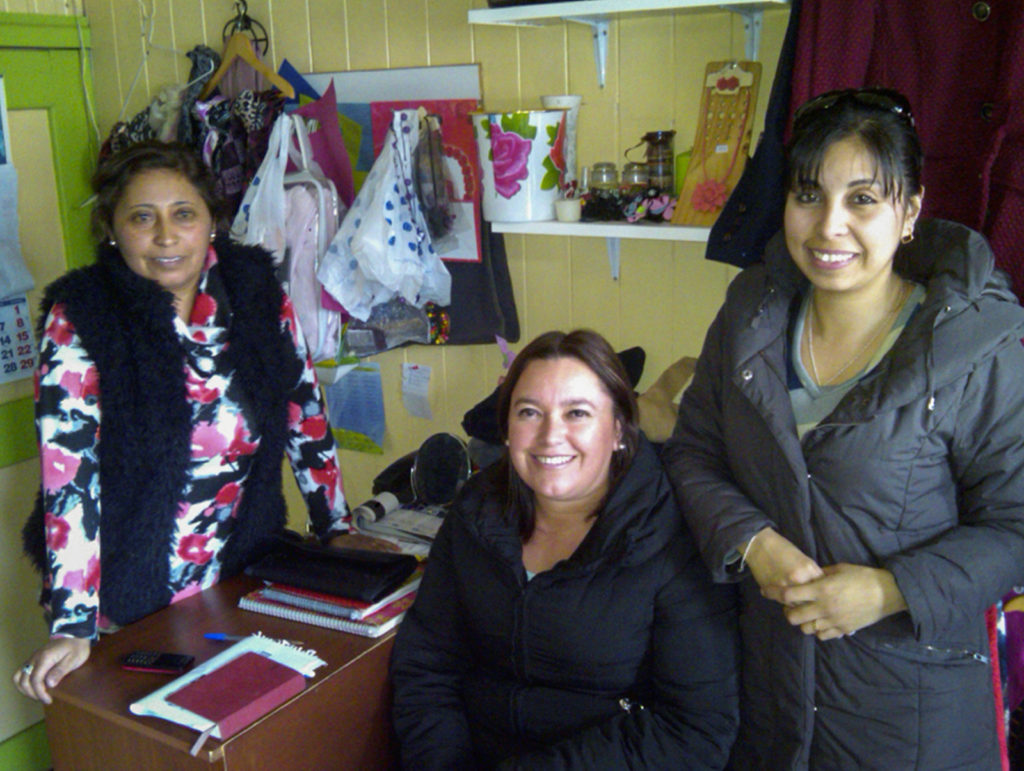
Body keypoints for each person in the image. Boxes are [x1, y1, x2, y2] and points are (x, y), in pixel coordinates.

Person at [663, 87, 1024, 769]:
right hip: (767, 698)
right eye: (808, 195)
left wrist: (890, 590)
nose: (829, 225)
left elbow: (1016, 523)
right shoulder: (750, 315)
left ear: (910, 210)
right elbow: (693, 453)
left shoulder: (976, 343)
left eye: (862, 199)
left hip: (911, 717)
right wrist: (752, 540)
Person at [13, 140, 354, 704]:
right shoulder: (84, 316)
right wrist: (73, 624)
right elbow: (70, 475)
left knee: (254, 720)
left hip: (239, 570)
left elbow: (303, 408)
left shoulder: (254, 290)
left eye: (184, 214)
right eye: (142, 218)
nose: (166, 236)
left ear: (210, 222)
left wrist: (335, 529)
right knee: (152, 738)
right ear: (112, 229)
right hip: (128, 588)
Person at [390, 329, 740, 770]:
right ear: (507, 429)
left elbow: (695, 732)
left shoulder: (674, 533)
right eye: (530, 412)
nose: (550, 435)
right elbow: (427, 664)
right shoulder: (475, 513)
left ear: (618, 431)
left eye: (577, 413)